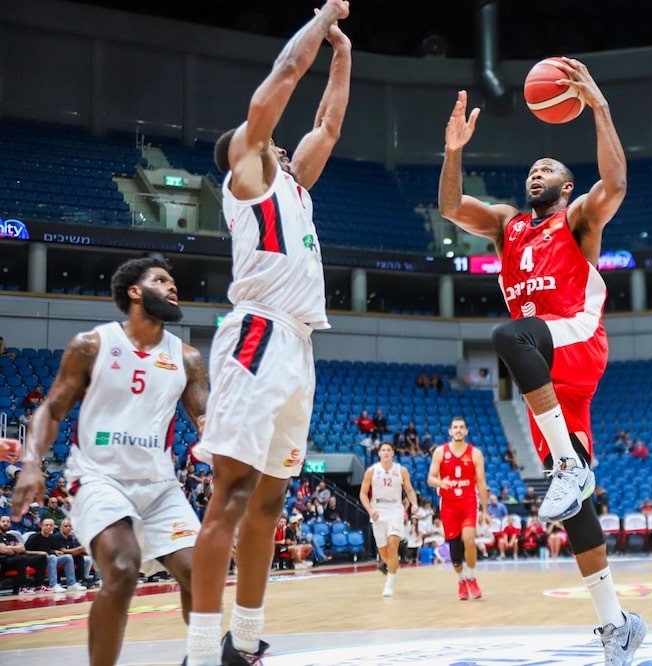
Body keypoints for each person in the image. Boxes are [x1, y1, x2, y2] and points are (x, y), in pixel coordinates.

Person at [438, 58, 645, 662]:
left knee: (508, 336)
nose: (537, 172)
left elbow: (617, 184)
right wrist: (453, 150)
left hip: (576, 339)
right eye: (532, 168)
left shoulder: (577, 219)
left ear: (565, 185)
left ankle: (567, 467)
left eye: (549, 168)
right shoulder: (506, 225)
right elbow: (452, 206)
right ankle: (616, 624)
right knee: (575, 510)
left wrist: (600, 108)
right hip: (550, 383)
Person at [184, 3, 352, 665]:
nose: (280, 144)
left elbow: (329, 122)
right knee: (230, 493)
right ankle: (200, 651)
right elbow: (284, 75)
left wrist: (343, 51)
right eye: (263, 140)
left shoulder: (297, 187)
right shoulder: (249, 178)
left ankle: (244, 642)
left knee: (271, 498)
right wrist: (320, 20)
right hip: (256, 335)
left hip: (299, 345)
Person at [10, 256, 208, 666]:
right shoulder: (93, 345)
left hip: (159, 486)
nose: (173, 288)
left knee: (202, 574)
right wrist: (32, 463)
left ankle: (203, 658)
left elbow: (205, 416)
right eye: (161, 280)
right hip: (100, 478)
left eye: (174, 282)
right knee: (121, 570)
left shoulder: (186, 357)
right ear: (135, 291)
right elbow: (52, 407)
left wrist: (220, 438)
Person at [427, 416, 489, 600]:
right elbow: (430, 478)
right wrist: (441, 482)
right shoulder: (440, 452)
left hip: (468, 501)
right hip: (448, 505)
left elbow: (482, 483)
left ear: (466, 431)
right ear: (450, 431)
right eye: (455, 427)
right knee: (455, 551)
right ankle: (461, 580)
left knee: (469, 539)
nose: (459, 430)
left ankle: (471, 577)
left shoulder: (475, 453)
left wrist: (485, 511)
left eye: (462, 427)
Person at [359, 440, 419, 597]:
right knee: (385, 554)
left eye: (388, 450)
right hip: (378, 512)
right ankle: (392, 569)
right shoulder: (371, 471)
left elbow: (410, 490)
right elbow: (363, 494)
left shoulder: (401, 470)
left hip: (395, 511)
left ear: (393, 453)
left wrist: (414, 504)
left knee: (393, 546)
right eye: (383, 450)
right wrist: (370, 510)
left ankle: (389, 585)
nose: (385, 452)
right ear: (379, 453)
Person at [25, 516, 86, 592]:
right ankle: (53, 585)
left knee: (68, 557)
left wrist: (54, 551)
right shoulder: (34, 537)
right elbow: (25, 551)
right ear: (41, 526)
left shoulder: (51, 537)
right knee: (52, 557)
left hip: (49, 559)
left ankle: (71, 584)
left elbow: (50, 549)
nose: (49, 527)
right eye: (46, 525)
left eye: (51, 525)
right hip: (37, 560)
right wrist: (39, 553)